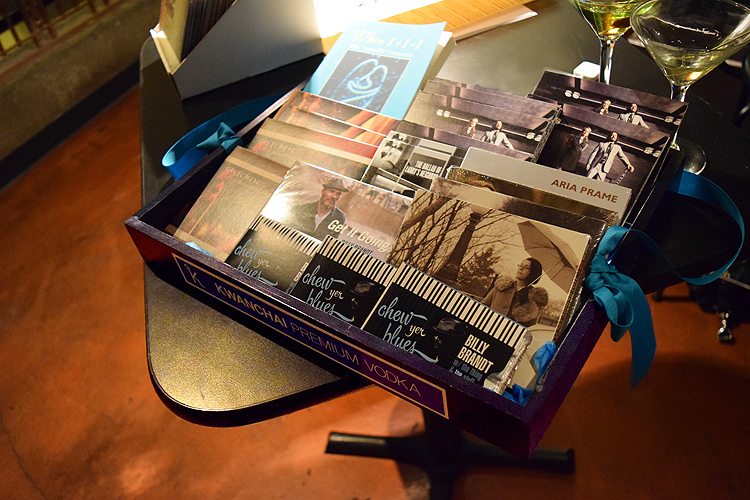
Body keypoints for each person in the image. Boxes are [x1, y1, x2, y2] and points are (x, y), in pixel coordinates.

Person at [482, 258, 548, 327]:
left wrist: (526, 303)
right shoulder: (502, 286)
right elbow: (484, 305)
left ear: (533, 272)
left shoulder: (534, 298)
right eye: (521, 265)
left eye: (526, 268)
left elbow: (530, 325)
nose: (521, 268)